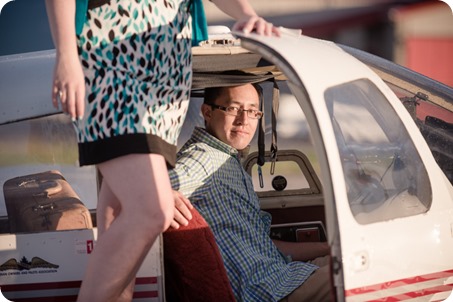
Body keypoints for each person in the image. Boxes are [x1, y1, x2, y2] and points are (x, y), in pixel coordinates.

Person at [45, 0, 279, 301]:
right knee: (153, 211)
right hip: (113, 61)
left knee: (118, 214)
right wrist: (66, 54)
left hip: (166, 85)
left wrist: (248, 15)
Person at [169, 83, 332, 301]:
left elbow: (264, 245)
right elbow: (147, 192)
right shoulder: (202, 157)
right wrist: (161, 192)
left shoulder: (228, 160)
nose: (244, 121)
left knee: (353, 260)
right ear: (207, 112)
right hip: (268, 292)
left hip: (282, 276)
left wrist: (326, 247)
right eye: (234, 109)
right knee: (360, 277)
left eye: (253, 111)